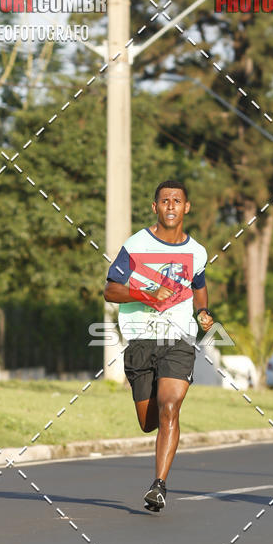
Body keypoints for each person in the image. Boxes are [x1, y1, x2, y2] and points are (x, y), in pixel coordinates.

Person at [104, 179, 213, 511]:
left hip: (178, 339)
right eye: (165, 201)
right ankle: (161, 426)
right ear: (155, 207)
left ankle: (159, 485)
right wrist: (147, 293)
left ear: (186, 207)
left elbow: (199, 286)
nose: (171, 206)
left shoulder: (197, 252)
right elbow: (110, 290)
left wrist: (202, 311)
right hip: (140, 340)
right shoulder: (136, 245)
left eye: (177, 201)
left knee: (170, 407)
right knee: (148, 421)